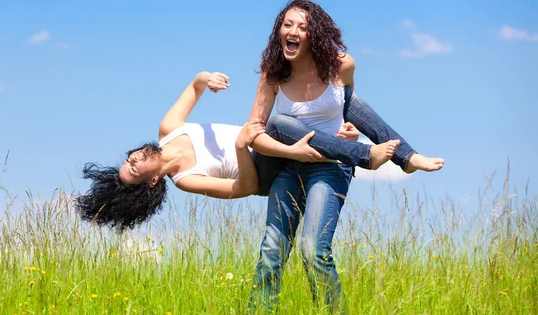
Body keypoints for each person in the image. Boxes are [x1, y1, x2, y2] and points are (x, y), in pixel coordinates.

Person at [247, 0, 444, 314]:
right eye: (287, 24)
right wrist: (291, 150)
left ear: (315, 35)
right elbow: (254, 135)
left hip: (329, 168)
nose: (293, 31)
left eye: (302, 26)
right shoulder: (273, 74)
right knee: (272, 250)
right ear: (278, 31)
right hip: (287, 167)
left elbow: (346, 109)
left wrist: (348, 129)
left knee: (313, 251)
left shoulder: (342, 65)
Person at [74, 69, 406, 230]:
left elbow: (195, 84)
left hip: (263, 141)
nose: (132, 160)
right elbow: (246, 188)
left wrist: (207, 78)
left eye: (127, 160)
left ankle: (372, 147)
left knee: (300, 114)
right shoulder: (186, 179)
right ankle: (363, 155)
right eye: (133, 169)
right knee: (275, 125)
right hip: (261, 170)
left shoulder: (168, 131)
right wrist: (240, 148)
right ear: (150, 183)